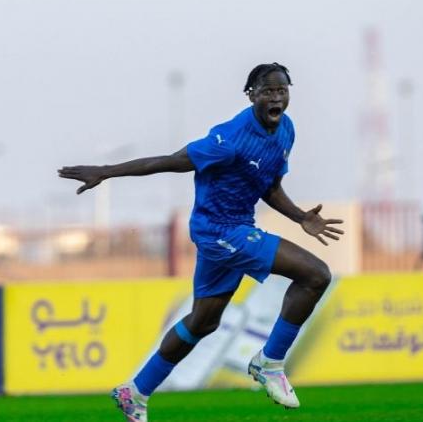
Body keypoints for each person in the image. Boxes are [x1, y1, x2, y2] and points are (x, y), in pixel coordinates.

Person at [58, 63, 343, 420]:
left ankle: (136, 391)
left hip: (236, 227)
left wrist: (301, 216)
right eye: (268, 91)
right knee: (315, 274)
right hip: (220, 231)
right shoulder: (229, 139)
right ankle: (269, 363)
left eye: (282, 91)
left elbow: (267, 185)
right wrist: (107, 172)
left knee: (203, 322)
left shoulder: (286, 130)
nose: (276, 98)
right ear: (252, 95)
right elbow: (169, 161)